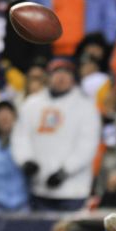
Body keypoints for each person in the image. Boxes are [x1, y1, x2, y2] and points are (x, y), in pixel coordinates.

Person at [13, 58, 102, 211]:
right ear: (48, 76)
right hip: (39, 188)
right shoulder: (31, 104)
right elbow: (20, 137)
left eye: (66, 73)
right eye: (57, 73)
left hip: (73, 191)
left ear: (73, 78)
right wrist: (26, 161)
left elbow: (87, 145)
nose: (61, 77)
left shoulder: (86, 107)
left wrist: (65, 172)